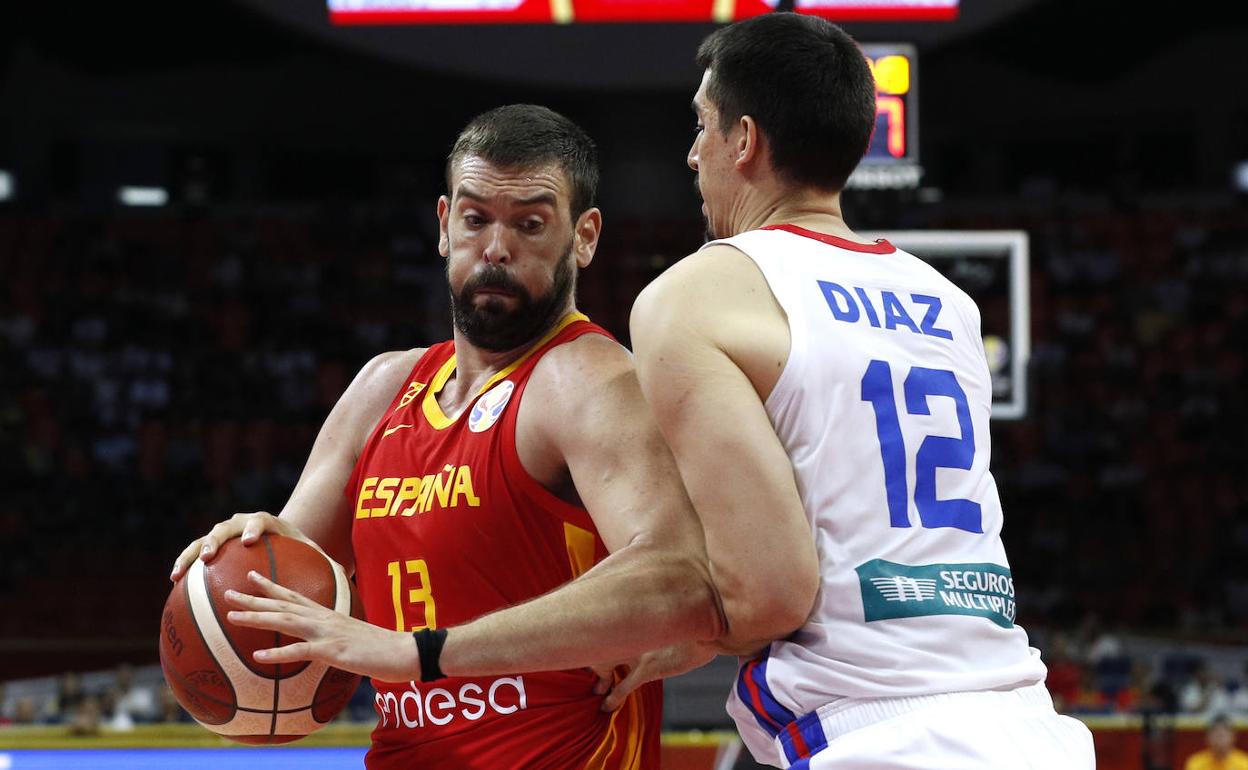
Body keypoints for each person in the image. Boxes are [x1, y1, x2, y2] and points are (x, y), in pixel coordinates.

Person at [170, 104, 724, 769]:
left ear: (584, 237)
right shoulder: (383, 388)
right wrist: (245, 549)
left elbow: (682, 580)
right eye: (476, 218)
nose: (496, 247)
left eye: (530, 223)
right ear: (444, 226)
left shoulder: (586, 379)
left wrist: (421, 653)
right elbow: (286, 594)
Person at [620, 13, 1097, 768]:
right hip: (1026, 724)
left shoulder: (698, 293)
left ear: (744, 141)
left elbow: (767, 599)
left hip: (877, 731)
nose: (691, 153)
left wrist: (660, 626)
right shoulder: (949, 302)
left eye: (702, 126)